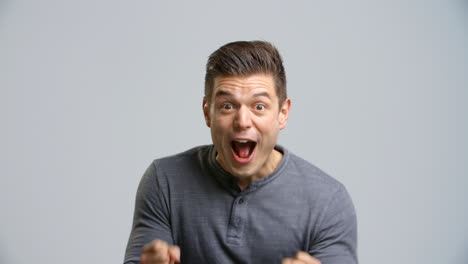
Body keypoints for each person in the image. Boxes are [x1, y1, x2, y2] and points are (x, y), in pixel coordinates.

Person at [124, 41, 358, 264]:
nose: (242, 121)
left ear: (282, 113)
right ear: (208, 113)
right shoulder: (164, 181)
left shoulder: (328, 201)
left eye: (259, 106)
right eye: (228, 106)